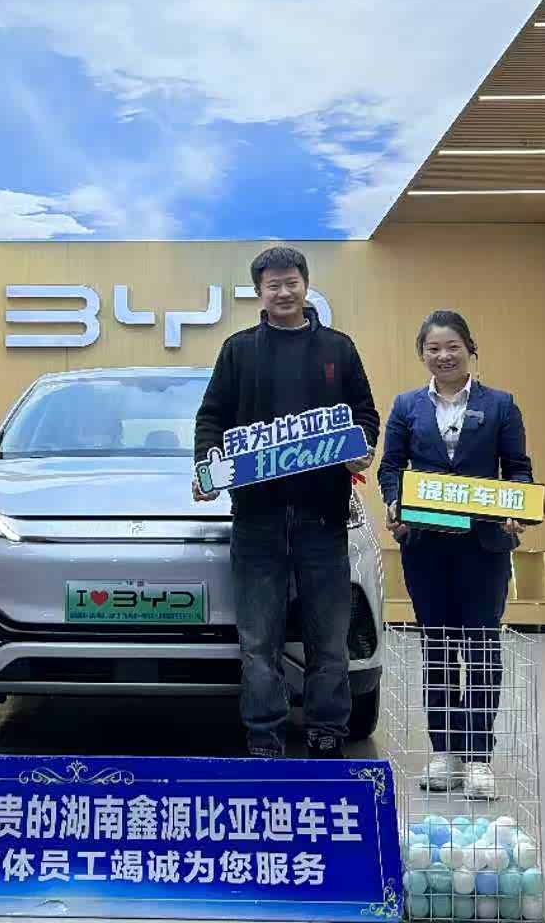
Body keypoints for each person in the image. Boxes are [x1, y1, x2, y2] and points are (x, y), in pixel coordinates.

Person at [194, 246, 379, 759]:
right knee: (258, 640)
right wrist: (208, 465)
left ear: (306, 285)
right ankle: (264, 735)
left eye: (291, 282)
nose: (283, 292)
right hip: (257, 518)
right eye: (273, 284)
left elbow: (364, 413)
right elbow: (211, 418)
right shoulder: (238, 351)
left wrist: (360, 445)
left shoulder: (339, 348)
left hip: (324, 517)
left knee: (329, 638)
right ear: (259, 292)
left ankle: (327, 731)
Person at [377, 310, 532, 800]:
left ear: (470, 349)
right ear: (422, 355)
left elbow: (518, 470)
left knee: (482, 645)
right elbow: (390, 468)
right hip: (426, 546)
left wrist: (516, 508)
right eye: (433, 349)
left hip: (484, 546)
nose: (443, 356)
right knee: (438, 647)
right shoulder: (406, 406)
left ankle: (479, 756)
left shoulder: (500, 405)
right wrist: (395, 504)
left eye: (452, 347)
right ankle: (444, 751)